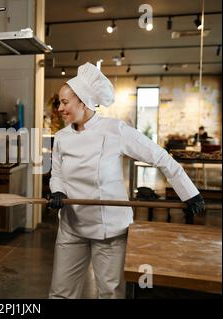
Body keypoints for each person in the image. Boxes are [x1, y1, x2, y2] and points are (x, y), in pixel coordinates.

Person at [47, 62, 205, 299]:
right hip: (72, 225)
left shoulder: (115, 130)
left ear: (84, 101)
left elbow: (159, 156)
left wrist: (189, 192)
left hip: (110, 228)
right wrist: (57, 191)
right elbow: (57, 174)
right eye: (59, 102)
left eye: (65, 102)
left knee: (110, 292)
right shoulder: (60, 138)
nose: (59, 108)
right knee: (60, 293)